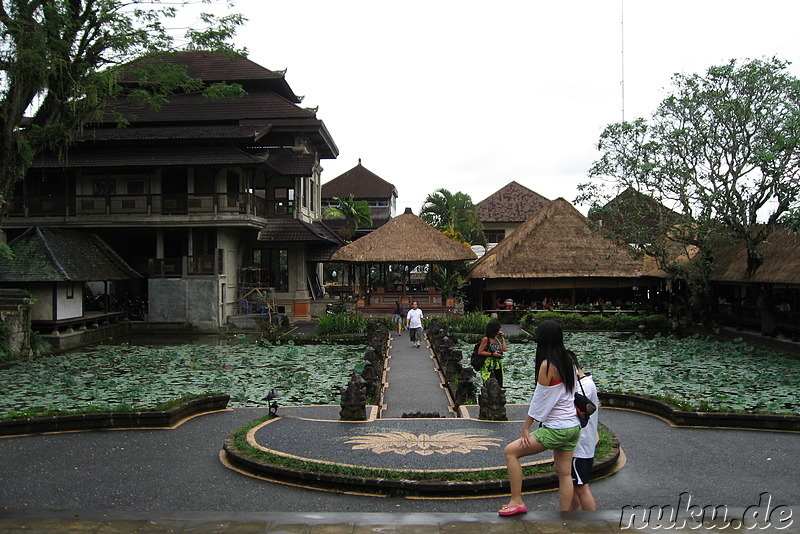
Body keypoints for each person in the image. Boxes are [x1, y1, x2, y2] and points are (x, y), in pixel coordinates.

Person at [499, 319, 581, 516]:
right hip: (573, 426)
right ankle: (565, 516)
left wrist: (526, 427)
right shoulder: (570, 359)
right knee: (564, 473)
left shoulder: (547, 365)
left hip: (557, 428)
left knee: (511, 452)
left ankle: (516, 500)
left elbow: (540, 400)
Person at [569, 354, 599, 511]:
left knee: (581, 488)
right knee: (574, 486)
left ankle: (592, 523)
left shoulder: (584, 387)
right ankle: (570, 519)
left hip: (580, 447)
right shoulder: (584, 383)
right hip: (581, 445)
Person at [477, 319, 506, 388]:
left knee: (499, 383)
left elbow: (504, 349)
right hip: (489, 364)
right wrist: (492, 354)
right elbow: (480, 352)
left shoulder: (496, 339)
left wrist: (502, 338)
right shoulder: (486, 339)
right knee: (489, 384)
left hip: (498, 364)